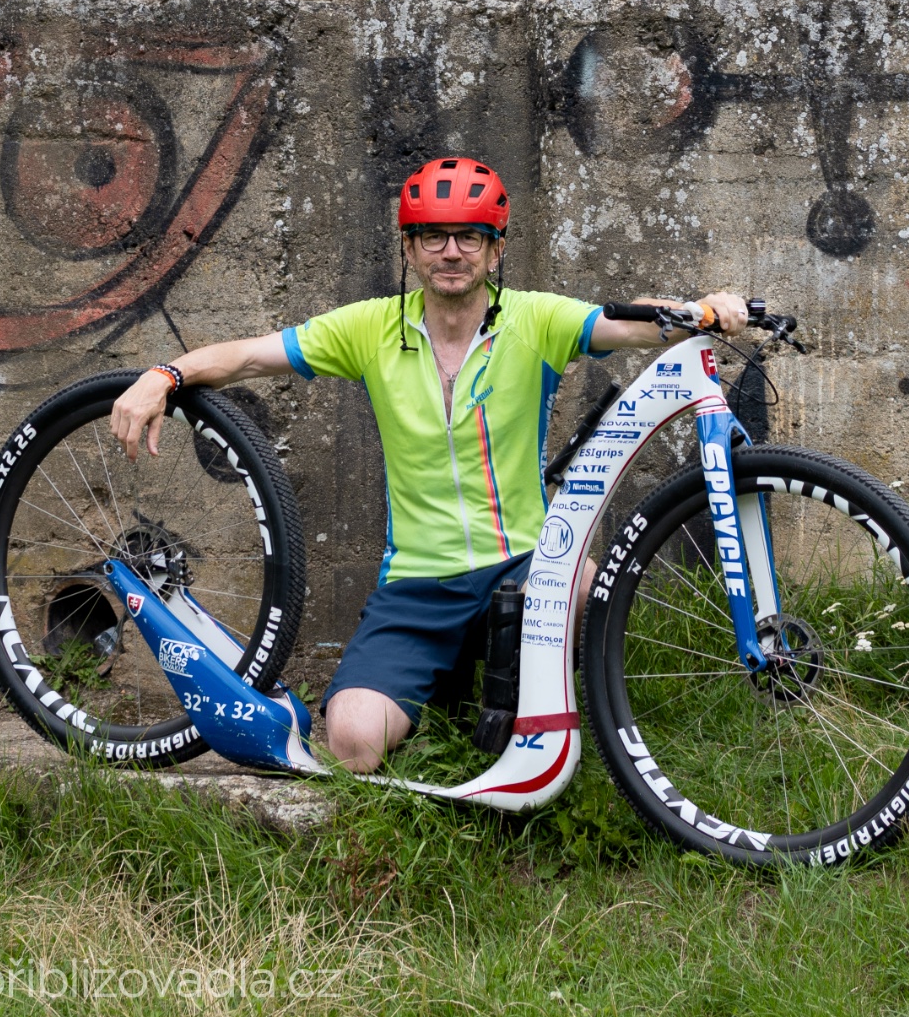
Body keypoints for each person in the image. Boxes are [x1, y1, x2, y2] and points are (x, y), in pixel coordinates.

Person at [110, 154, 747, 772]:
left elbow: (629, 323)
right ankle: (451, 682)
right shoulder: (371, 328)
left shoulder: (535, 319)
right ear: (410, 250)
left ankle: (520, 704)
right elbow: (250, 356)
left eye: (470, 237)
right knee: (353, 742)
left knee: (582, 584)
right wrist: (166, 375)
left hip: (523, 565)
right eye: (433, 237)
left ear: (495, 250)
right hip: (417, 586)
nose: (451, 252)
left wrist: (704, 310)